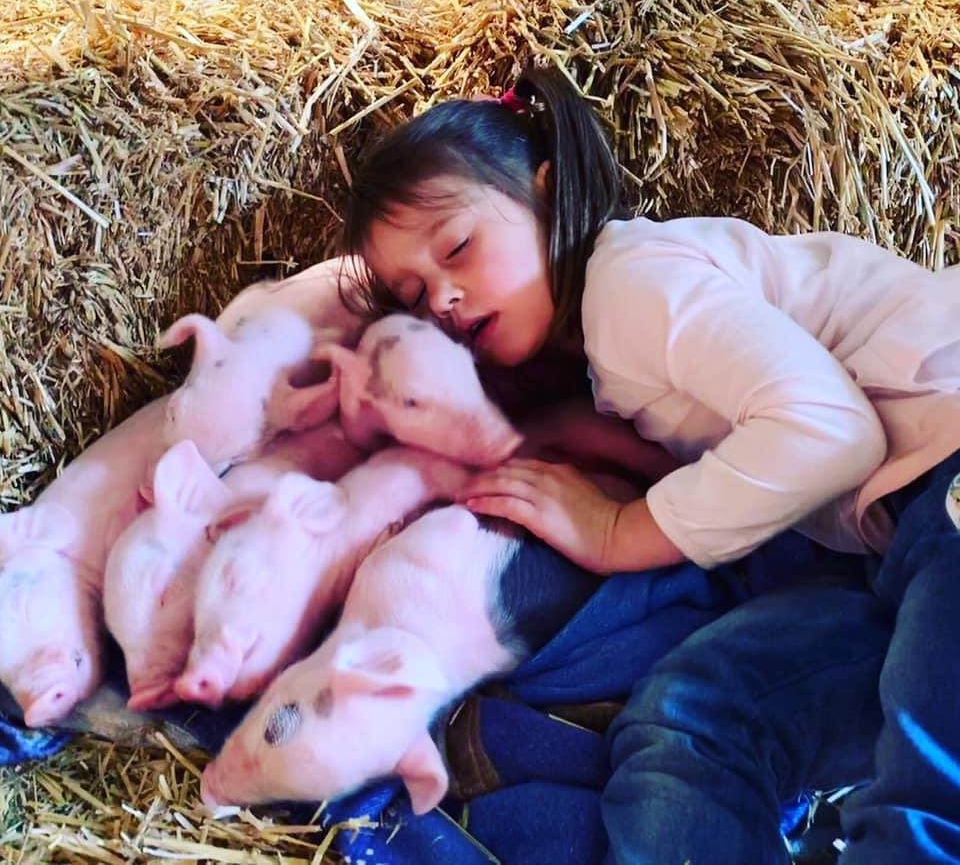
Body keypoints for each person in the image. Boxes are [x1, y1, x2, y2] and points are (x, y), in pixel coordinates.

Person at [336, 62, 960, 865]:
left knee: (923, 813)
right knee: (683, 722)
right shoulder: (605, 356)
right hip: (902, 545)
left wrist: (620, 531)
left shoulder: (628, 282)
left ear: (550, 193)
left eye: (457, 247)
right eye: (415, 296)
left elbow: (831, 432)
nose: (444, 301)